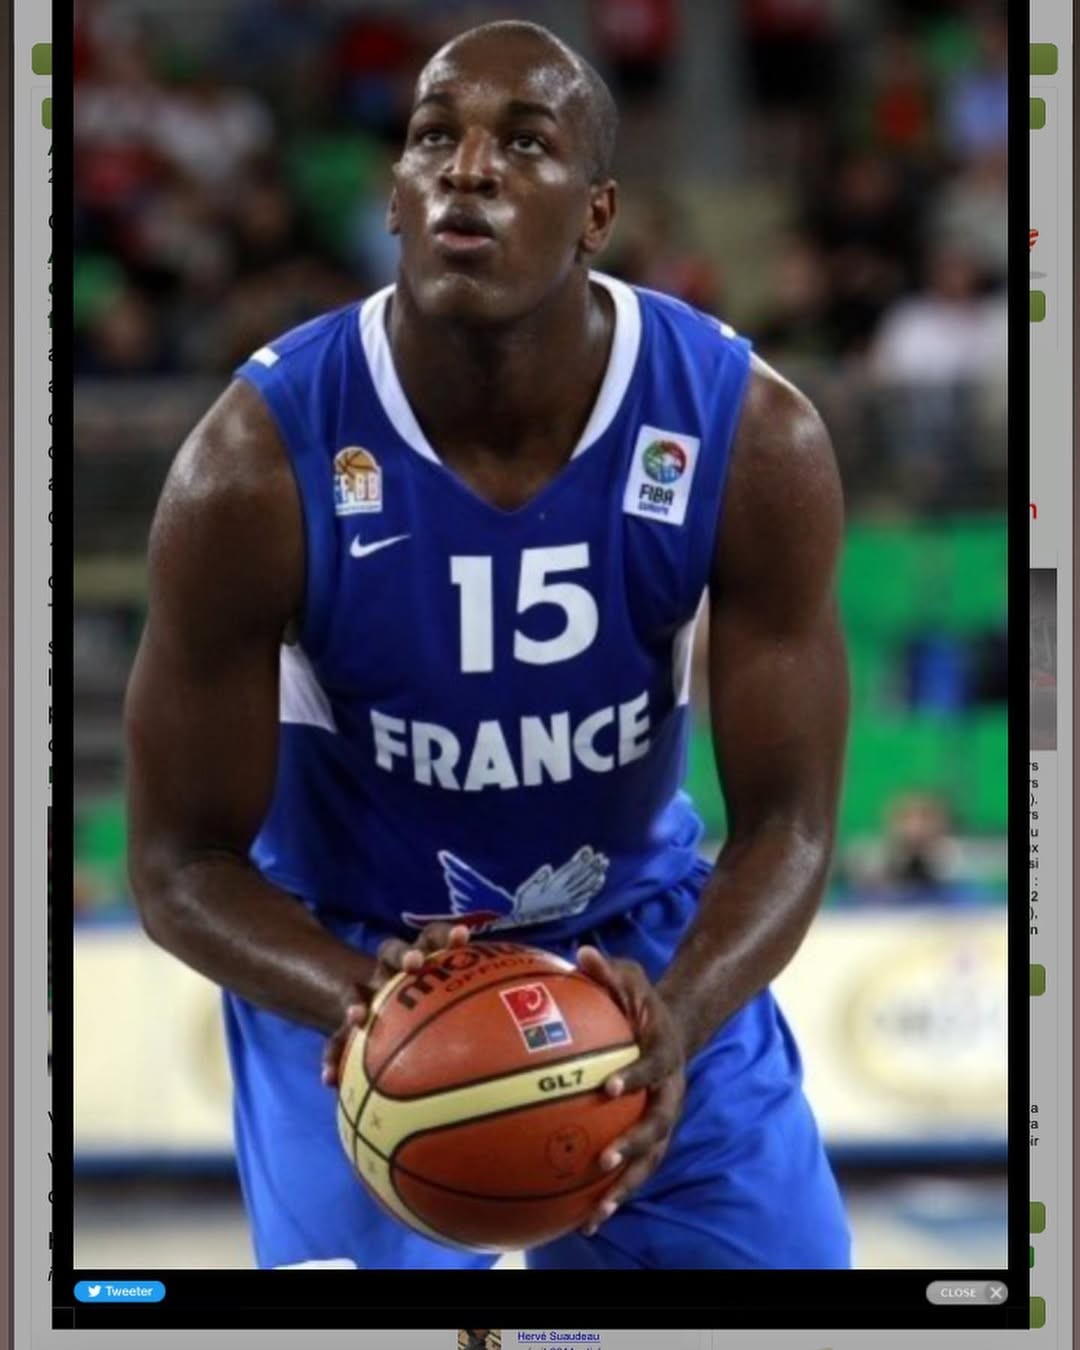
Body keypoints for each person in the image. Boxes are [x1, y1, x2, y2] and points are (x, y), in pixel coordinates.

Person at [125, 20, 851, 1271]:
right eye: (432, 138)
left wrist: (676, 1020)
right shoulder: (253, 465)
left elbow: (788, 824)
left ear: (596, 214)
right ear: (396, 200)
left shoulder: (750, 439)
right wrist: (365, 1004)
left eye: (524, 143)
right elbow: (178, 862)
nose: (468, 168)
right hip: (355, 961)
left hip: (634, 945)